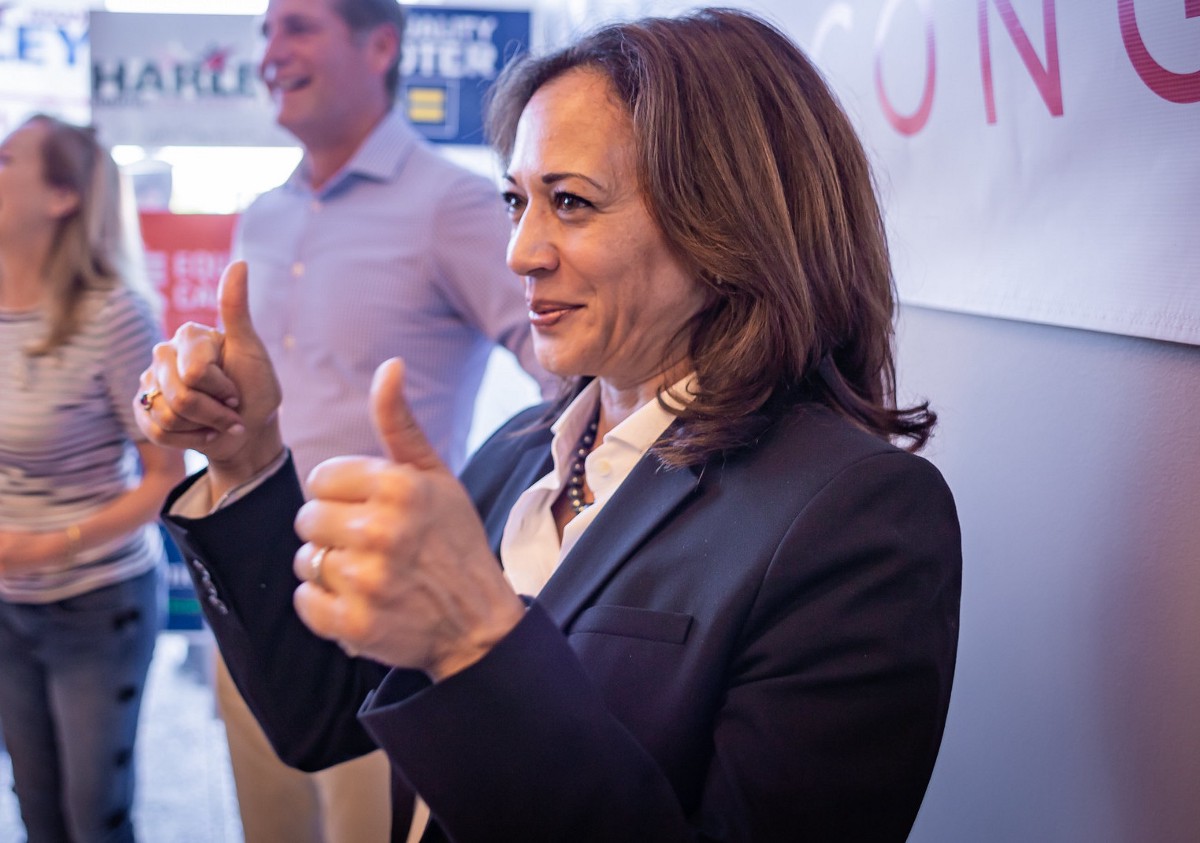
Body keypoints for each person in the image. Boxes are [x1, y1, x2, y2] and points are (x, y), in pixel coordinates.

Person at [139, 8, 962, 841]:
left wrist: (475, 646)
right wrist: (243, 461)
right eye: (516, 200)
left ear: (727, 223)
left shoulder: (855, 517)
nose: (521, 250)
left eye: (570, 202)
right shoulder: (525, 448)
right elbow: (327, 711)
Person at [212, 1, 554, 840]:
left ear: (382, 46)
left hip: (382, 603)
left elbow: (578, 373)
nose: (270, 51)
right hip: (259, 586)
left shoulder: (453, 203)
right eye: (265, 31)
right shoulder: (263, 213)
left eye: (297, 27)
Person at [0, 114, 185, 843]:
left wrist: (56, 543)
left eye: (7, 157)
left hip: (96, 603)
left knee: (94, 811)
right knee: (35, 804)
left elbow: (166, 478)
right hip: (7, 606)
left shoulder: (114, 316)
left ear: (62, 197)